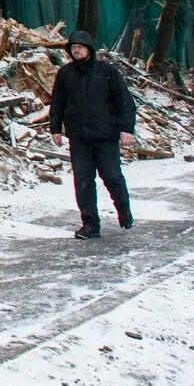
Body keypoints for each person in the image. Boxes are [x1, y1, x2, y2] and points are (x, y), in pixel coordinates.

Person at [48, 30, 138, 240]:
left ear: (89, 48)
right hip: (79, 138)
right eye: (73, 47)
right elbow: (58, 102)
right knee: (83, 180)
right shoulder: (65, 74)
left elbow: (124, 101)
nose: (76, 50)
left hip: (105, 135)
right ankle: (90, 224)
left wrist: (126, 128)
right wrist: (55, 128)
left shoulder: (107, 72)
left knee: (112, 177)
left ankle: (123, 210)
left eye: (79, 46)